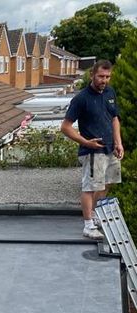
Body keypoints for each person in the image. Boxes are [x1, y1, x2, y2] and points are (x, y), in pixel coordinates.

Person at [61, 60, 124, 240]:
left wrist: (119, 143)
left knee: (107, 184)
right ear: (92, 75)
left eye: (107, 77)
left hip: (111, 149)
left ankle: (94, 215)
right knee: (90, 187)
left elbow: (114, 119)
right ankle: (88, 225)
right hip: (92, 152)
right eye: (101, 76)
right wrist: (86, 142)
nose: (104, 80)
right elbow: (65, 127)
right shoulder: (81, 99)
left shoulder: (110, 93)